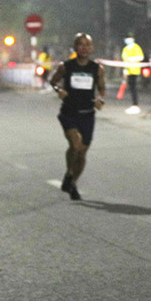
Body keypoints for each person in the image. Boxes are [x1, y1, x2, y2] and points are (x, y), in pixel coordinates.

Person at [49, 33, 106, 201]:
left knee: (82, 153)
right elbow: (53, 81)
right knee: (75, 145)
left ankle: (71, 181)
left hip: (88, 114)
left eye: (88, 45)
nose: (85, 48)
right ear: (75, 48)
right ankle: (69, 173)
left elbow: (102, 88)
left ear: (92, 48)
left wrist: (100, 100)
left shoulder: (97, 69)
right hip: (69, 113)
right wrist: (59, 91)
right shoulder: (65, 66)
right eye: (81, 44)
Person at [121, 34, 144, 114]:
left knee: (133, 88)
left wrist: (132, 59)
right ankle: (134, 104)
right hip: (128, 70)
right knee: (131, 88)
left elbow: (141, 57)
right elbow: (124, 60)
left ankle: (135, 105)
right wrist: (125, 70)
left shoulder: (136, 47)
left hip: (134, 70)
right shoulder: (125, 49)